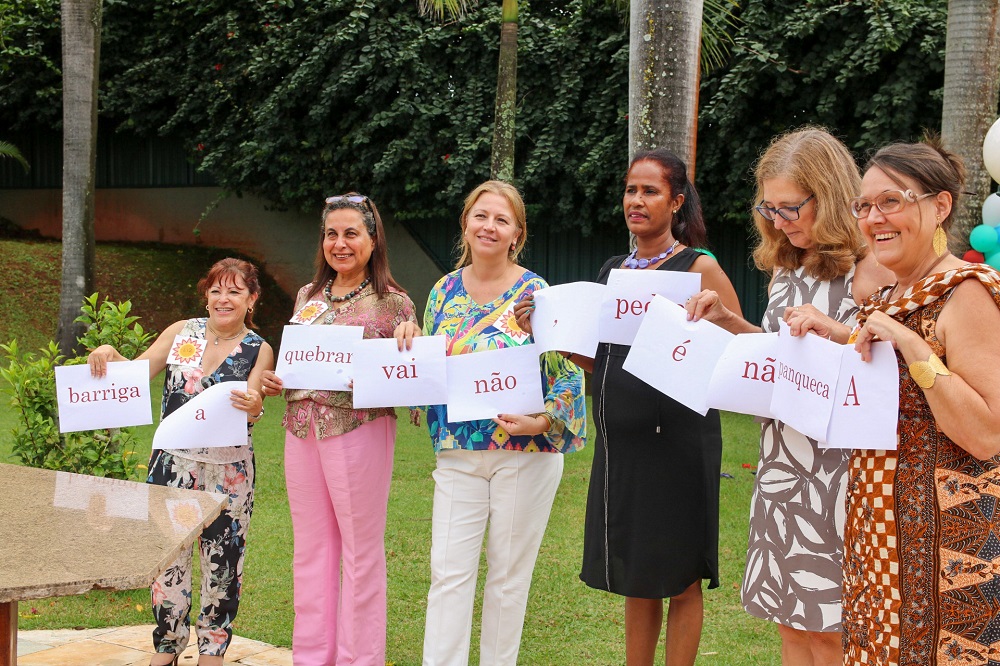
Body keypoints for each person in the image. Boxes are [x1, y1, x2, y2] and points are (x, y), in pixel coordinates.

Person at [526, 148, 741, 666]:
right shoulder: (613, 272)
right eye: (630, 190)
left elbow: (736, 352)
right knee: (637, 574)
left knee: (682, 577)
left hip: (681, 444)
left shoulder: (700, 267)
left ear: (677, 201)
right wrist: (549, 335)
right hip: (622, 443)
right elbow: (602, 360)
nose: (636, 201)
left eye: (650, 191)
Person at [684, 128, 890, 665]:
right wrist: (729, 321)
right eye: (769, 209)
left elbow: (891, 365)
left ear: (831, 194)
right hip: (782, 459)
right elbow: (782, 352)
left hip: (842, 468)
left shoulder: (871, 266)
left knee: (833, 628)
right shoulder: (786, 266)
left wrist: (837, 333)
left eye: (790, 208)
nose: (779, 222)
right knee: (790, 621)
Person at [394, 180, 586, 666]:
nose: (489, 226)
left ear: (517, 233)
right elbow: (429, 371)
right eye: (481, 216)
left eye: (502, 220)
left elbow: (567, 372)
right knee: (448, 574)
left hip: (523, 454)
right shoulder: (443, 291)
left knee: (507, 580)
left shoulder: (536, 293)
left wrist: (540, 422)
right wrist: (410, 340)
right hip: (459, 452)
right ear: (466, 223)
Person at [834, 140, 1000, 665]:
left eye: (891, 201)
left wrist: (910, 343)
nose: (873, 218)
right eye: (864, 206)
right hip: (879, 546)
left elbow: (987, 433)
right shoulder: (886, 300)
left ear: (940, 206)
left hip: (951, 556)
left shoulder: (966, 292)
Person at [88, 257, 275, 666]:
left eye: (235, 291)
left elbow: (254, 404)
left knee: (223, 563)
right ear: (206, 296)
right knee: (168, 562)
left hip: (229, 474)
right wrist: (110, 353)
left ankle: (212, 650)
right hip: (172, 467)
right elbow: (136, 373)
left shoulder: (259, 349)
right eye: (216, 290)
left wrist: (256, 406)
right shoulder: (180, 333)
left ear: (252, 299)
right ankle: (167, 646)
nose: (223, 299)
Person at [260, 193, 416, 666]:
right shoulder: (307, 296)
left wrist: (410, 338)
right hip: (300, 429)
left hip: (358, 428)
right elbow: (298, 362)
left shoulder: (394, 303)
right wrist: (276, 380)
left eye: (351, 233)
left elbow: (408, 367)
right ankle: (312, 657)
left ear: (373, 239)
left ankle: (359, 659)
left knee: (360, 552)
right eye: (331, 234)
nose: (340, 243)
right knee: (311, 549)